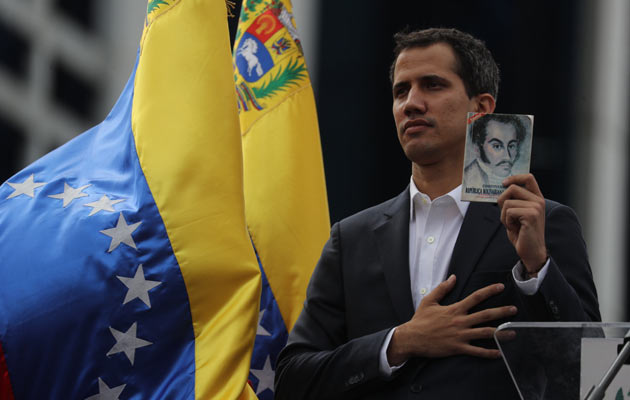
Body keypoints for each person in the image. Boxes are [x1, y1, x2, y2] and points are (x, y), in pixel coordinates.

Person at [274, 28, 600, 399]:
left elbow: (590, 371)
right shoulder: (351, 238)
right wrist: (398, 343)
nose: (411, 103)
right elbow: (292, 379)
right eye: (401, 91)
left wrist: (537, 268)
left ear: (481, 108)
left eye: (432, 85)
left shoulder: (543, 221)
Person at [464, 114, 528, 187]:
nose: (507, 157)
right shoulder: (465, 181)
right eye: (497, 146)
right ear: (477, 147)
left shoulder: (520, 183)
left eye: (511, 146)